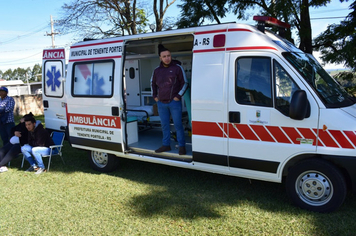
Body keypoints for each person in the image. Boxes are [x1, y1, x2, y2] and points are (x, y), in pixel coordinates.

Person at [151, 44, 188, 155]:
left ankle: (182, 146)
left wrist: (178, 96)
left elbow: (185, 83)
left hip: (174, 102)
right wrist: (155, 97)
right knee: (164, 125)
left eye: (169, 56)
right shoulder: (156, 70)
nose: (167, 58)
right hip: (161, 103)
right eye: (164, 56)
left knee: (178, 125)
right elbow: (152, 83)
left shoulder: (177, 68)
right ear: (160, 58)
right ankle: (166, 145)